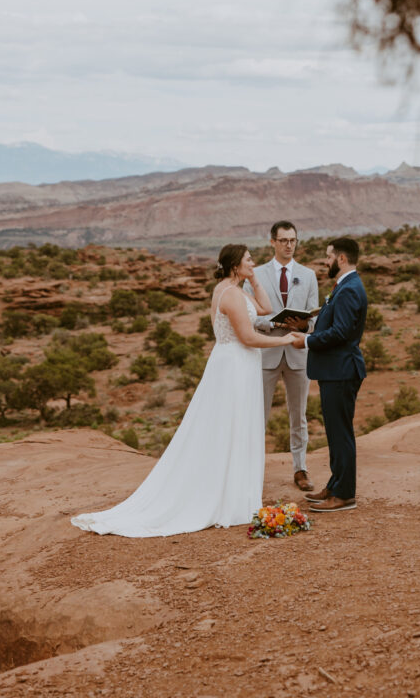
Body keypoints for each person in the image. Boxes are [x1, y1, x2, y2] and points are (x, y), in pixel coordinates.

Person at [71, 244, 296, 537]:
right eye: (248, 260)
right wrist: (286, 340)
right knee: (230, 426)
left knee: (235, 426)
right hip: (235, 367)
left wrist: (253, 279)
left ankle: (233, 493)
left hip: (236, 364)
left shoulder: (233, 289)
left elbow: (266, 309)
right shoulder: (229, 294)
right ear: (234, 265)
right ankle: (225, 498)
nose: (254, 263)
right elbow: (249, 337)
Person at [292, 237, 367, 513]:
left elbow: (342, 332)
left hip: (342, 370)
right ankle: (335, 485)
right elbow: (334, 323)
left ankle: (345, 494)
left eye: (328, 256)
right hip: (335, 370)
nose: (326, 261)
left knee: (341, 433)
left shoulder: (349, 289)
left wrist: (307, 341)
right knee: (336, 433)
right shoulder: (345, 285)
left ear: (342, 259)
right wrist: (306, 325)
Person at [247, 221, 319, 491]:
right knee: (258, 415)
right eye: (284, 240)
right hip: (267, 353)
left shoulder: (308, 275)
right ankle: (252, 469)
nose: (289, 245)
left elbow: (314, 318)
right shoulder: (256, 275)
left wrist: (303, 326)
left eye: (293, 240)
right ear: (272, 242)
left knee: (299, 415)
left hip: (298, 355)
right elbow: (249, 315)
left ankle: (300, 469)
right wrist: (273, 324)